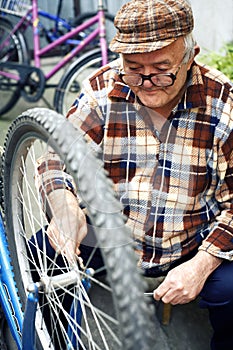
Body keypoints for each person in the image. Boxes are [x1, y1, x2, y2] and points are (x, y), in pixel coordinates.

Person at [37, 0, 233, 349]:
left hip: (191, 240)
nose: (146, 83)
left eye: (161, 69)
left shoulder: (223, 103)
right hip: (108, 230)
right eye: (133, 68)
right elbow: (56, 159)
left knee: (231, 293)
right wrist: (65, 207)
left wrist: (203, 264)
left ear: (190, 57)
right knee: (42, 258)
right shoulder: (103, 89)